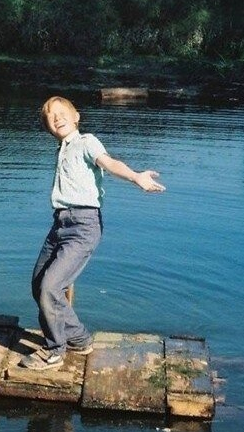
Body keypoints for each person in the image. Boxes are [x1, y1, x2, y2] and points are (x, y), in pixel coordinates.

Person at [20, 95, 165, 370]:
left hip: (83, 226)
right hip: (60, 224)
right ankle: (80, 339)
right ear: (47, 126)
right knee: (39, 285)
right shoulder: (62, 149)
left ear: (77, 117)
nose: (57, 117)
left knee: (51, 287)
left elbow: (109, 163)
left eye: (63, 112)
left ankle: (54, 351)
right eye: (51, 116)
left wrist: (136, 177)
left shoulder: (87, 142)